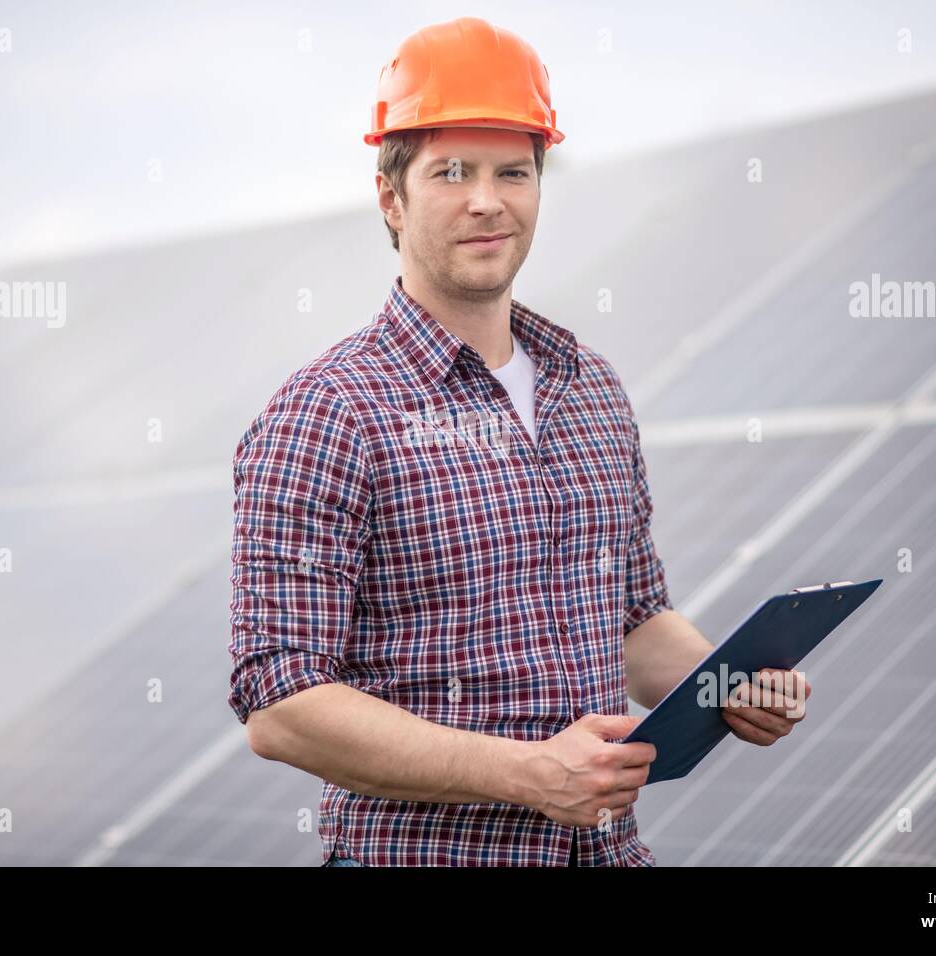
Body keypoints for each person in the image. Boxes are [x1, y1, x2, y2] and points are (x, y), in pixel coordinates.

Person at [228, 16, 810, 867]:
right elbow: (279, 710)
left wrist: (727, 682)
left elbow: (634, 622)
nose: (487, 200)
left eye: (514, 171)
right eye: (451, 172)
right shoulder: (328, 413)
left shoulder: (591, 388)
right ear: (390, 196)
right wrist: (525, 774)